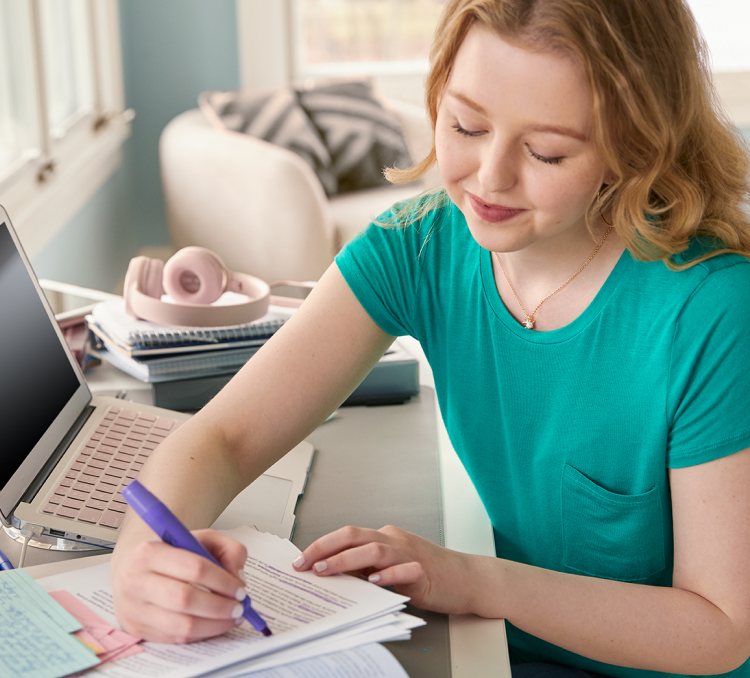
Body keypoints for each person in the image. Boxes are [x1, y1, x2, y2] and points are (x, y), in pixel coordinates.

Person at [111, 0, 750, 676]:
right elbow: (224, 438)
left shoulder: (711, 311)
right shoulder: (418, 247)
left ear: (635, 147)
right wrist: (139, 563)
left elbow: (719, 628)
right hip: (497, 650)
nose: (490, 178)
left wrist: (473, 580)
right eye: (465, 125)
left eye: (547, 151)